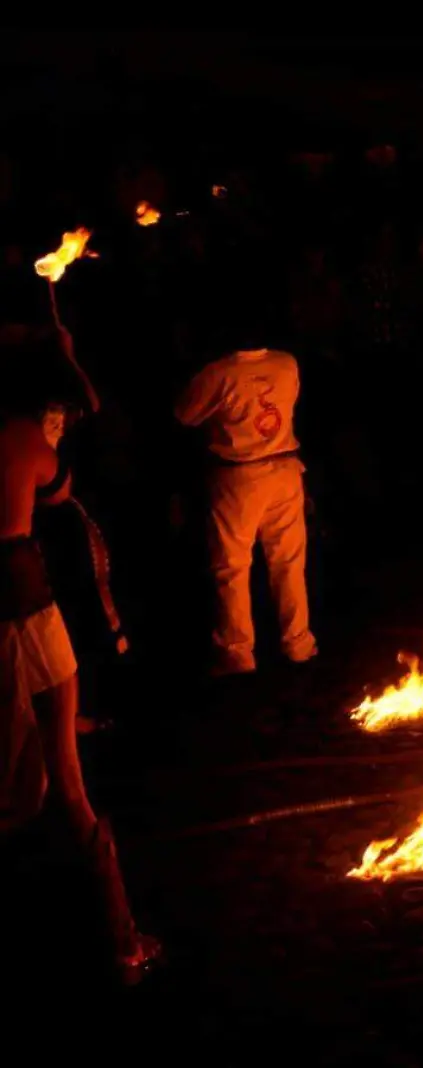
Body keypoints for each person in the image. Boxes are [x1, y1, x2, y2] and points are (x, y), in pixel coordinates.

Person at [2, 331, 158, 982]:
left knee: (14, 767)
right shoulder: (19, 438)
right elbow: (59, 490)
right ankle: (124, 944)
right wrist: (67, 356)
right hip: (21, 606)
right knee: (67, 780)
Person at [175, 289, 318, 676]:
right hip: (285, 470)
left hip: (239, 476)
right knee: (289, 563)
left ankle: (238, 653)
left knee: (232, 567)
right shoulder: (286, 364)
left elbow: (184, 416)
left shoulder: (218, 373)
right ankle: (298, 644)